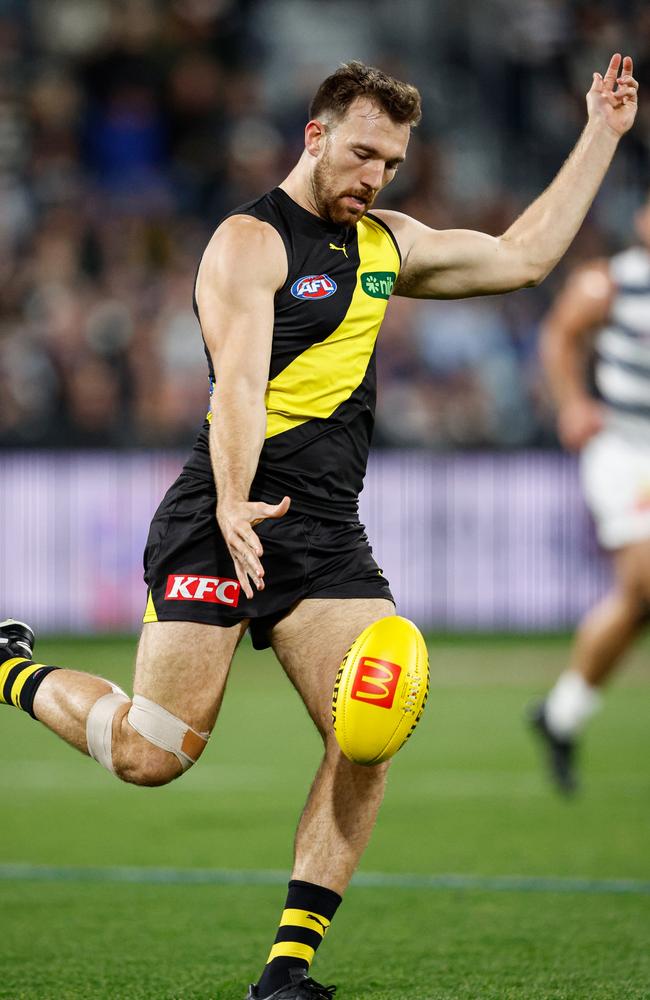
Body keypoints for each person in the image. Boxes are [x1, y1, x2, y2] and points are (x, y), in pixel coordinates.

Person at [1, 56, 638, 999]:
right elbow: (242, 387)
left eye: (392, 162)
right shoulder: (247, 244)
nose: (375, 177)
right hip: (223, 516)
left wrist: (602, 133)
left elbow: (524, 257)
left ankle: (287, 972)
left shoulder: (389, 244)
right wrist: (228, 501)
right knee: (150, 755)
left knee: (366, 725)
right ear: (317, 135)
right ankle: (11, 667)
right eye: (364, 154)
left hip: (326, 535)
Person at [530, 190, 650, 796]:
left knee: (640, 602)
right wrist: (573, 402)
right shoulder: (612, 282)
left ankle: (561, 714)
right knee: (645, 581)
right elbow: (559, 335)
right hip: (627, 449)